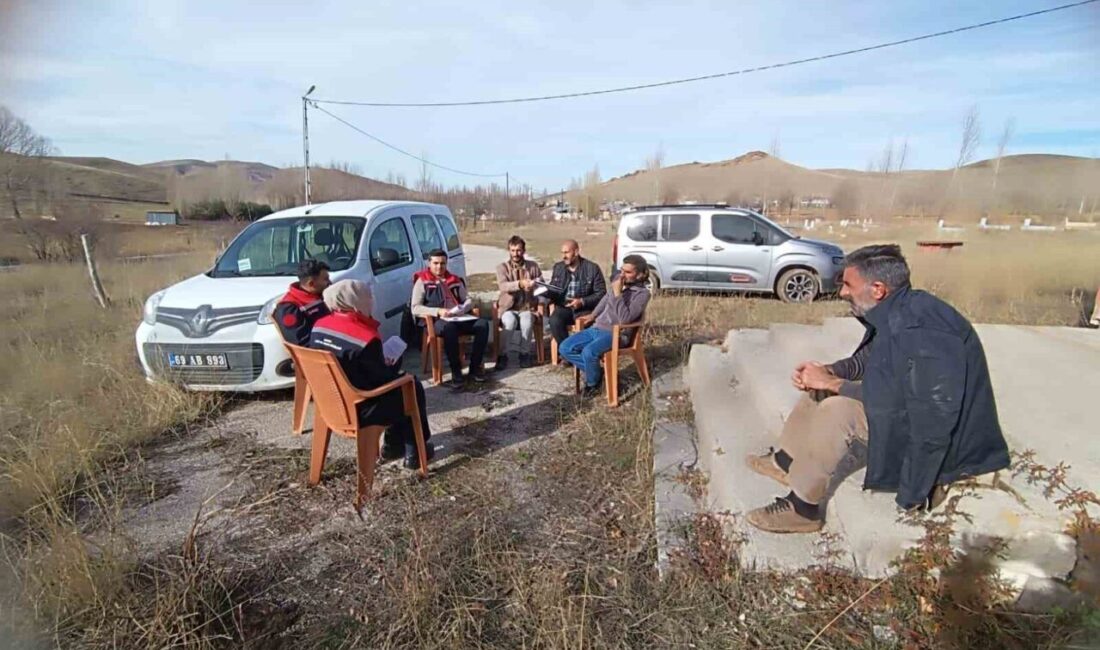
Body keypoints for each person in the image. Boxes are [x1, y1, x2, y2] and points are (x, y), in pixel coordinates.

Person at [743, 244, 1010, 534]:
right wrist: (830, 372)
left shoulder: (924, 331)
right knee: (821, 389)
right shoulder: (896, 310)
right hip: (906, 407)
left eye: (848, 284)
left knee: (838, 410)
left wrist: (914, 493)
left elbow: (931, 418)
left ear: (878, 289)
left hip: (952, 448)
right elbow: (870, 360)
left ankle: (802, 509)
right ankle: (785, 463)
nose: (842, 292)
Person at [309, 280, 434, 469]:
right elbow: (381, 379)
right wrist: (391, 363)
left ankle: (394, 447)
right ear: (354, 301)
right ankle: (415, 450)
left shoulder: (319, 326)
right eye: (368, 296)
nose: (371, 300)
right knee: (410, 386)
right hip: (361, 407)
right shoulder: (364, 337)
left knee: (402, 385)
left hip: (329, 400)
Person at [559, 255, 651, 398]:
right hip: (597, 328)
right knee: (565, 348)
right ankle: (598, 373)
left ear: (639, 275)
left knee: (589, 352)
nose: (622, 275)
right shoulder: (618, 284)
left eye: (628, 272)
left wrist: (618, 294)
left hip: (616, 334)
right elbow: (604, 301)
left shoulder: (642, 294)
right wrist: (593, 316)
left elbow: (624, 319)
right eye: (622, 270)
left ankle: (592, 384)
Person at [411, 249, 490, 389]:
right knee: (450, 329)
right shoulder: (422, 280)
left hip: (458, 317)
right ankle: (456, 372)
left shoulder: (454, 279)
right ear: (429, 263)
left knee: (482, 325)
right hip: (438, 321)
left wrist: (463, 308)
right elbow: (415, 308)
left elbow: (468, 299)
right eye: (435, 263)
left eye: (442, 264)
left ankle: (474, 368)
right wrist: (438, 311)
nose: (439, 267)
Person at [544, 239, 607, 352]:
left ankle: (580, 353)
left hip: (585, 307)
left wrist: (582, 301)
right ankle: (569, 352)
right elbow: (553, 290)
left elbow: (601, 293)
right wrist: (542, 290)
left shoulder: (592, 268)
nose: (564, 256)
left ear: (576, 252)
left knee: (587, 324)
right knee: (554, 320)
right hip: (564, 307)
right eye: (562, 253)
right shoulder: (558, 268)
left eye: (567, 252)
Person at [494, 235, 543, 370]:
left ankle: (524, 354)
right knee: (509, 322)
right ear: (509, 250)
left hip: (527, 307)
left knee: (527, 320)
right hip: (509, 308)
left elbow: (542, 285)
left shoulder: (532, 266)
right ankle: (503, 355)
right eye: (513, 250)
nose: (516, 254)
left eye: (519, 250)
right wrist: (520, 284)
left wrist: (535, 285)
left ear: (524, 251)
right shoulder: (502, 267)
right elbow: (503, 286)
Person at [274, 259, 332, 345]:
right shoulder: (289, 307)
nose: (330, 283)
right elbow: (301, 342)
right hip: (323, 352)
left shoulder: (320, 294)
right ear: (311, 284)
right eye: (326, 279)